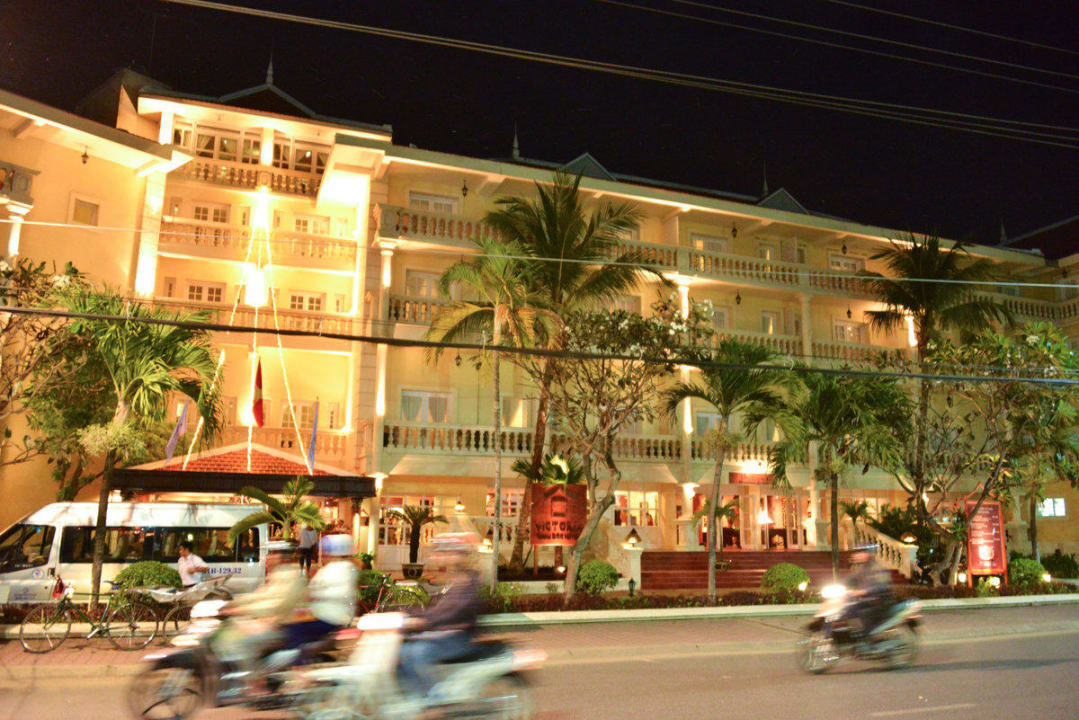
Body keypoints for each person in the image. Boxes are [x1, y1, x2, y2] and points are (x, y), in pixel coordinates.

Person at [397, 532, 482, 702]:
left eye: (445, 552)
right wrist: (407, 614)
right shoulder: (453, 578)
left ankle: (433, 700)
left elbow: (451, 611)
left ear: (458, 555)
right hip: (445, 631)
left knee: (417, 652)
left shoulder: (466, 580)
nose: (439, 557)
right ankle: (411, 696)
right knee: (401, 649)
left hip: (459, 636)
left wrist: (423, 621)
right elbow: (437, 608)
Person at [280, 533, 358, 652]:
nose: (323, 555)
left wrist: (318, 595)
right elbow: (312, 588)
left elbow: (343, 592)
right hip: (318, 614)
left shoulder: (346, 568)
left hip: (332, 618)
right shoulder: (327, 568)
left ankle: (296, 657)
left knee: (296, 632)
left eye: (326, 552)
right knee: (288, 626)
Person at [843, 543, 895, 638]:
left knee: (862, 613)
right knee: (848, 609)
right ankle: (857, 634)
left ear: (868, 554)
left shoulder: (878, 568)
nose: (855, 555)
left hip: (880, 602)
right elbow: (849, 580)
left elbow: (882, 586)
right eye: (855, 553)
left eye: (860, 552)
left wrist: (864, 591)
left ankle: (869, 638)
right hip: (868, 601)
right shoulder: (861, 569)